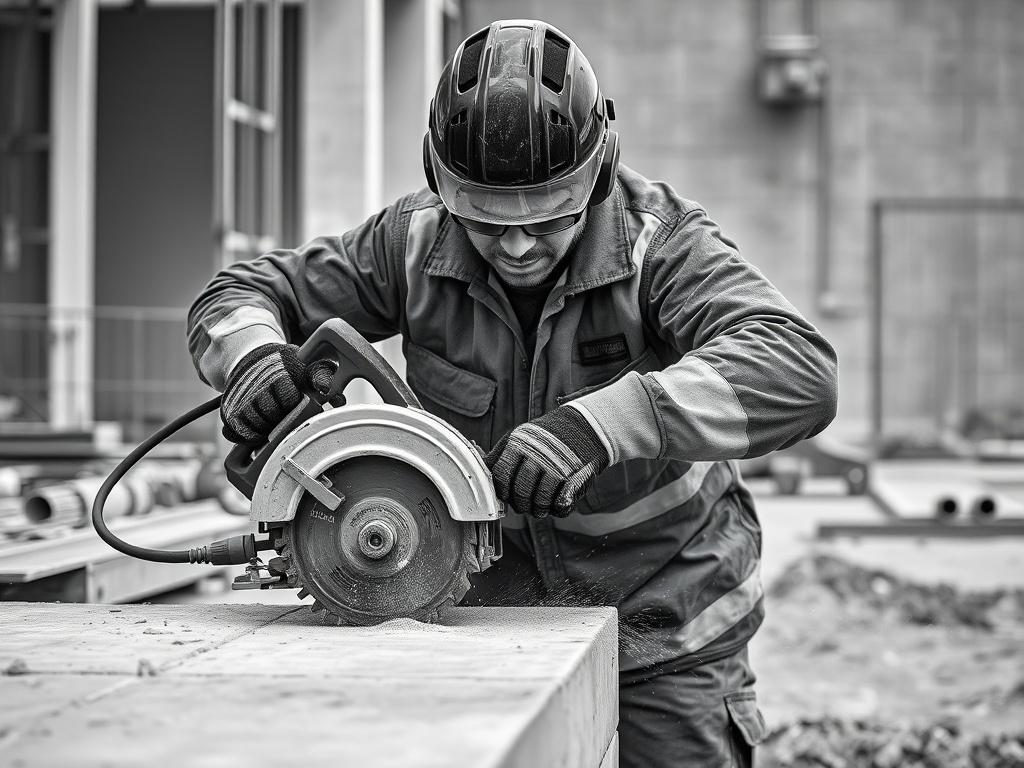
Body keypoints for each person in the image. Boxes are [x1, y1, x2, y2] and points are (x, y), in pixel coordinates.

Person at [188, 19, 837, 767]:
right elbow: (240, 291)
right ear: (442, 183)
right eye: (489, 221)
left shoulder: (662, 244)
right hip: (490, 623)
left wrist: (607, 424)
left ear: (597, 175)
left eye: (549, 219)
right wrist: (253, 355)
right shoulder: (412, 243)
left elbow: (800, 369)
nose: (520, 246)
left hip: (667, 625)